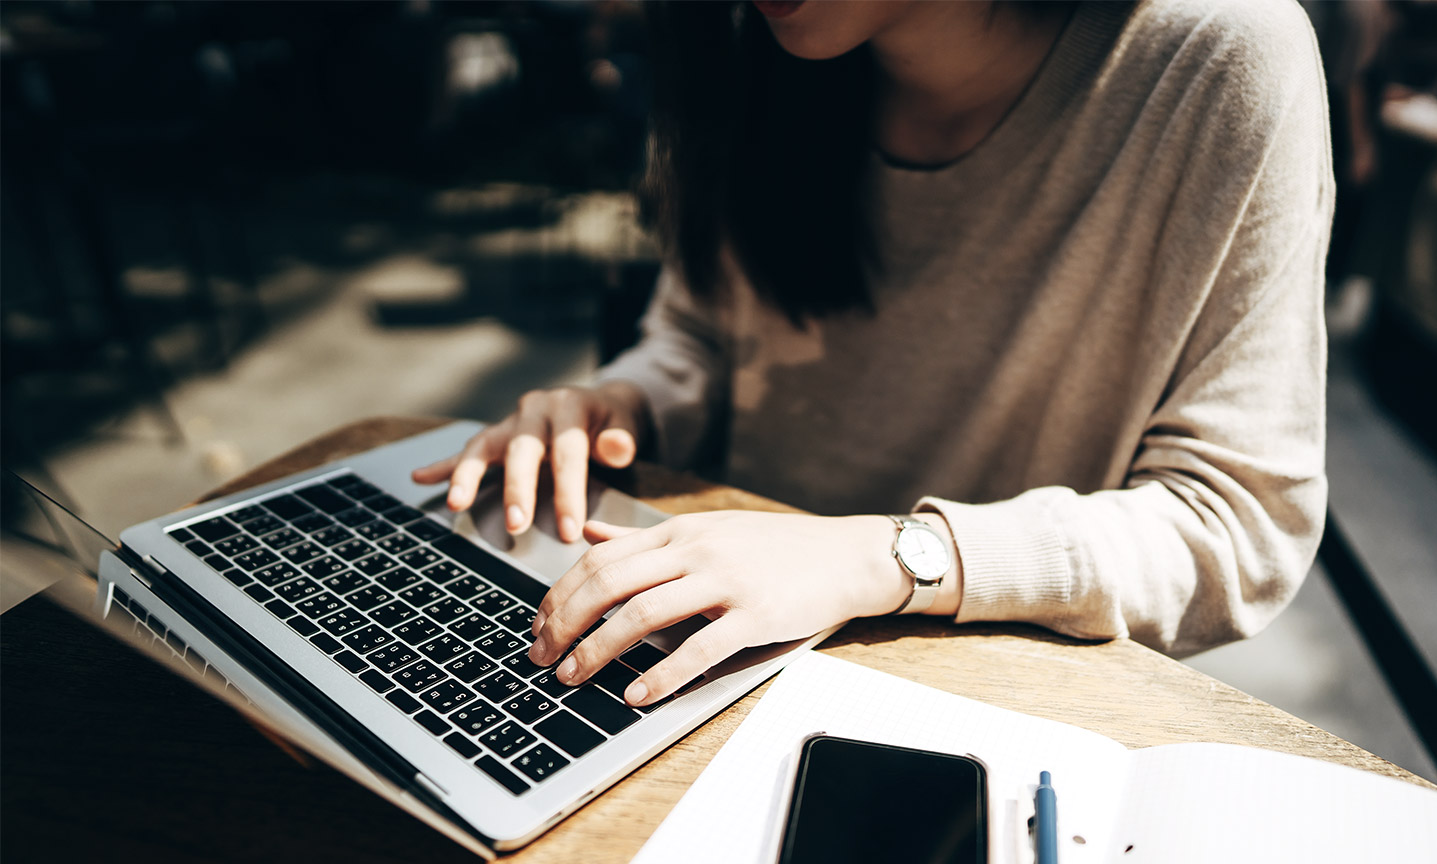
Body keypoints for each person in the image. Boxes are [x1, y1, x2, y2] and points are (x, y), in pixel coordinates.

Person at [413, 0, 1332, 709]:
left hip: (981, 687)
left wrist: (888, 557)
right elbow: (700, 334)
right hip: (716, 643)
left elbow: (1235, 525)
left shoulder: (1219, 53)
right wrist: (619, 404)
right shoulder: (752, 43)